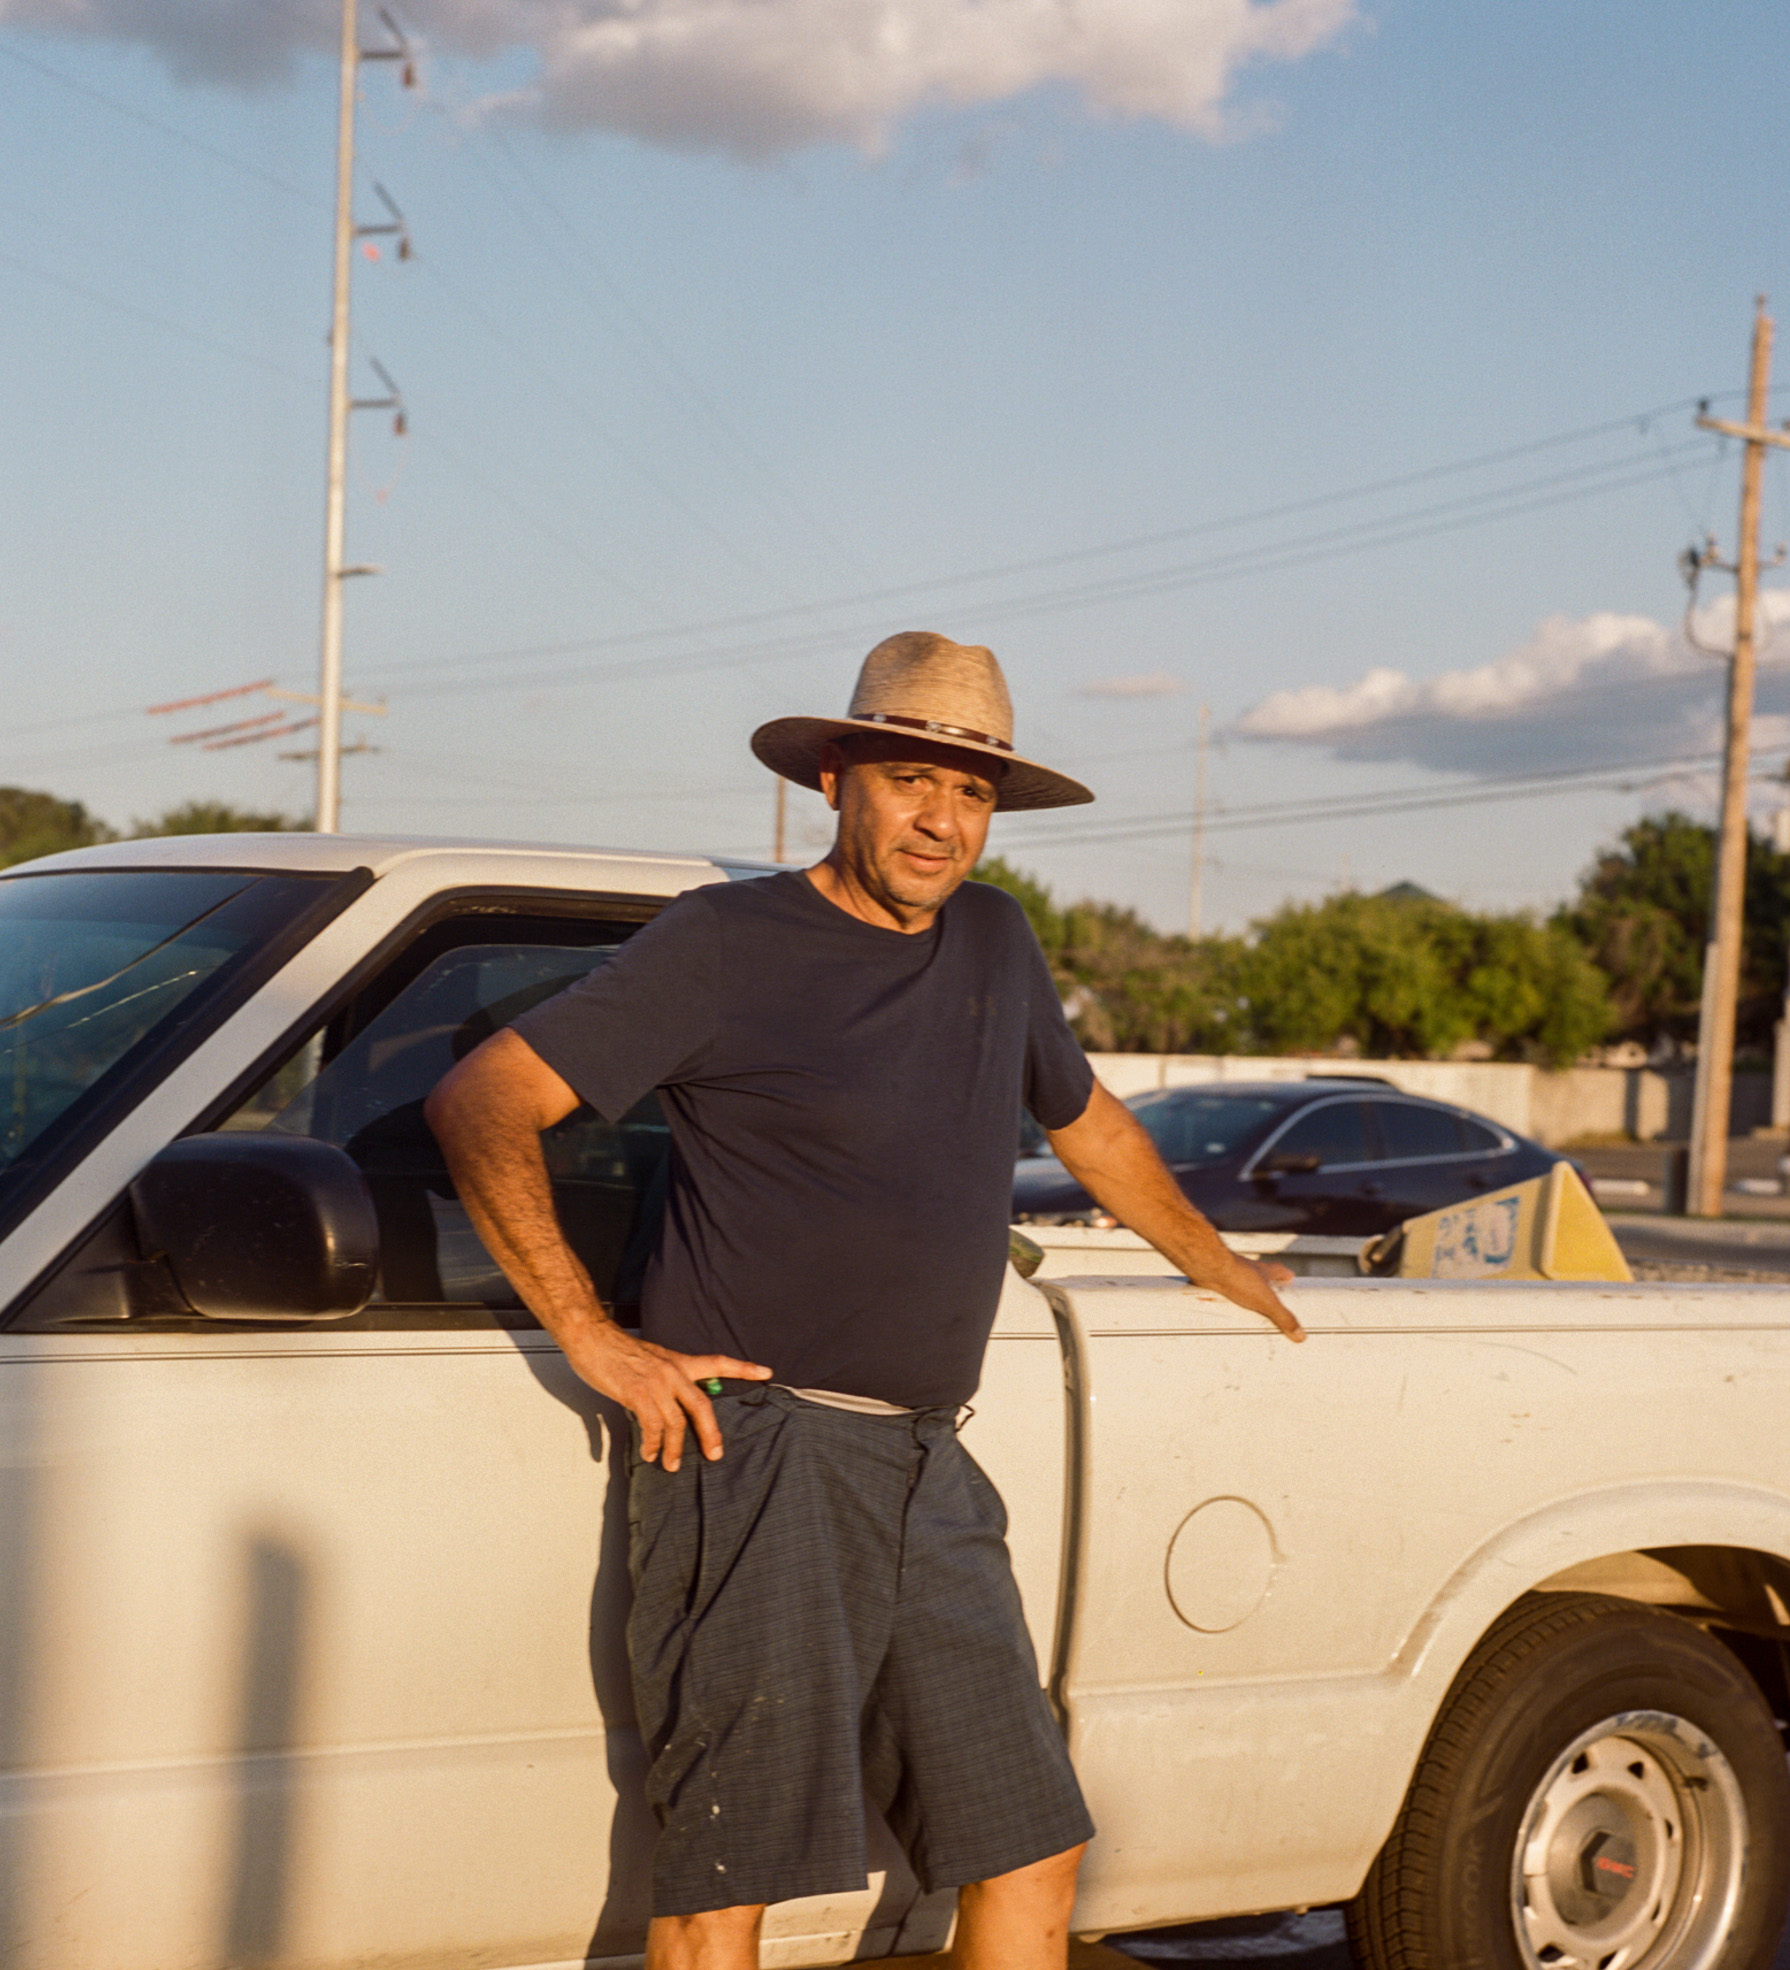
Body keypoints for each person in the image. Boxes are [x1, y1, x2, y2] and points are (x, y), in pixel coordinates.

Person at [426, 631, 1304, 1970]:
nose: (943, 820)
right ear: (836, 777)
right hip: (761, 1453)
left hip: (928, 1464)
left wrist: (1220, 1261)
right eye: (911, 780)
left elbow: (1089, 1127)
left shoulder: (998, 944)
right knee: (734, 1874)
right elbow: (487, 1099)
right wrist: (594, 1339)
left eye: (971, 794)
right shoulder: (726, 943)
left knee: (1033, 1848)